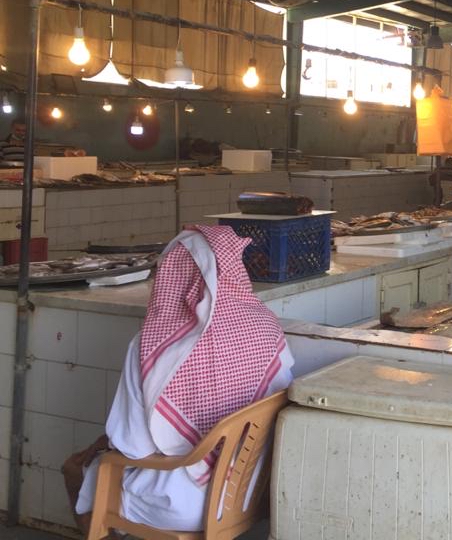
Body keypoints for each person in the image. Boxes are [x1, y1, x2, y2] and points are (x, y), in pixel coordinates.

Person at [63, 225, 295, 533]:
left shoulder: (152, 348)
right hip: (252, 489)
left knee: (76, 471)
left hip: (185, 503)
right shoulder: (266, 326)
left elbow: (133, 447)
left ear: (175, 276)